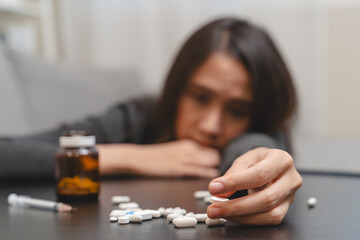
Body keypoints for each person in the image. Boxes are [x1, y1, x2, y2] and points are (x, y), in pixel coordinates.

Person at [0, 17, 302, 225]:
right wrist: (134, 156)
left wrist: (258, 159)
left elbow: (252, 146)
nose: (211, 125)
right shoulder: (136, 118)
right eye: (200, 97)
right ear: (176, 90)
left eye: (237, 110)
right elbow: (8, 153)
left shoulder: (258, 132)